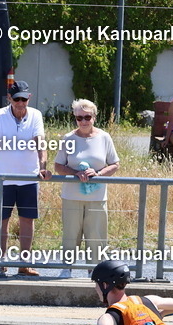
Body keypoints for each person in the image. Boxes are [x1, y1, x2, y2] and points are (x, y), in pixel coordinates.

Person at [0, 80, 51, 276]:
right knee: (2, 221)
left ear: (29, 98)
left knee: (27, 221)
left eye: (24, 98)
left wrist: (43, 167)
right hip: (2, 179)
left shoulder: (36, 115)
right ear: (9, 98)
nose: (21, 102)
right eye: (17, 99)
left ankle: (24, 264)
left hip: (28, 179)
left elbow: (40, 144)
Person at [54, 99, 120, 278]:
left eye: (87, 117)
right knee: (70, 233)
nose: (83, 121)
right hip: (71, 195)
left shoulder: (104, 137)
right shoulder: (68, 138)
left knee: (96, 235)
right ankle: (67, 268)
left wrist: (98, 173)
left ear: (94, 117)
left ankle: (95, 270)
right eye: (79, 118)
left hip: (97, 196)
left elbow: (114, 164)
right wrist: (75, 173)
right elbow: (58, 166)